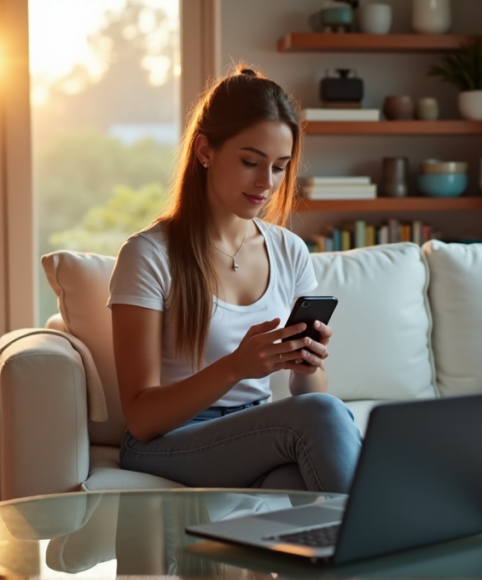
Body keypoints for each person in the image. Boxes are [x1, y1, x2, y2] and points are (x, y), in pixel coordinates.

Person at [108, 67, 362, 493]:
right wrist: (235, 367)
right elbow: (142, 417)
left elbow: (309, 391)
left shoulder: (289, 251)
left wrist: (308, 365)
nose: (267, 183)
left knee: (301, 467)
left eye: (280, 168)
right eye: (250, 162)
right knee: (323, 415)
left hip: (249, 433)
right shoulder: (149, 255)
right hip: (167, 440)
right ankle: (385, 552)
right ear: (205, 151)